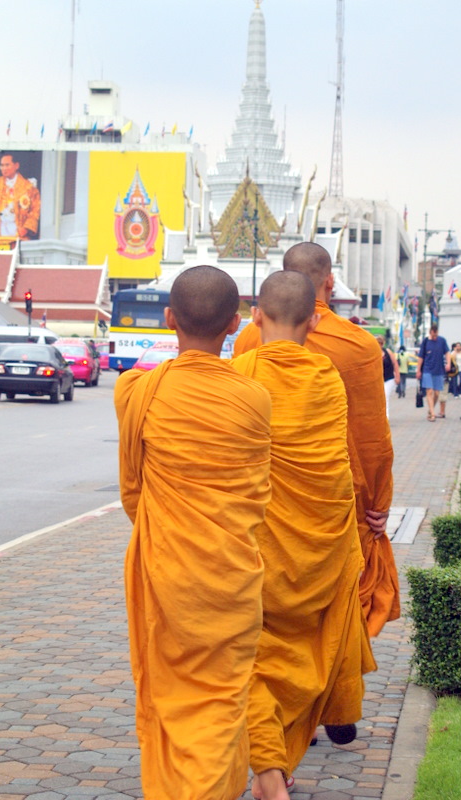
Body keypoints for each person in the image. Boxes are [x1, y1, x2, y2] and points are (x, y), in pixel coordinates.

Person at [114, 266, 273, 800]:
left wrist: (164, 530)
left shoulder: (137, 391)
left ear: (168, 319)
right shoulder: (255, 399)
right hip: (231, 580)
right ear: (234, 324)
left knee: (173, 700)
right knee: (224, 703)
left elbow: (133, 492)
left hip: (168, 575)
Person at [232, 271, 376, 800]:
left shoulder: (242, 372)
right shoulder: (327, 377)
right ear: (316, 320)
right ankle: (282, 758)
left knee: (253, 655)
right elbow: (340, 460)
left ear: (255, 316)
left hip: (262, 539)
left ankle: (271, 765)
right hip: (323, 535)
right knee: (314, 647)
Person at [234, 242, 399, 638]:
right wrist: (378, 505)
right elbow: (373, 437)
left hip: (261, 503)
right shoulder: (359, 345)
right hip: (336, 503)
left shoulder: (246, 345)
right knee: (331, 618)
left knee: (268, 615)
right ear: (329, 282)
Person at [0, 153, 41, 241]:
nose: (4, 168)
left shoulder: (28, 187)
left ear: (16, 166)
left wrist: (26, 228)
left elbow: (35, 209)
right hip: (1, 228)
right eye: (2, 165)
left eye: (7, 165)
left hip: (18, 230)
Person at [416, 323, 451, 421]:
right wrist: (418, 370)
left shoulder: (442, 341)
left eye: (436, 335)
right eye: (433, 335)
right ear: (430, 332)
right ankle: (432, 414)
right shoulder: (426, 342)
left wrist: (448, 363)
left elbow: (447, 353)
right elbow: (421, 357)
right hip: (427, 369)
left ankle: (430, 410)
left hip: (439, 370)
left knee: (436, 393)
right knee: (429, 391)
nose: (435, 337)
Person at [377, 335, 400, 416]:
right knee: (378, 399)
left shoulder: (387, 352)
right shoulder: (373, 353)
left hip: (389, 378)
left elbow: (395, 364)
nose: (380, 345)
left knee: (385, 396)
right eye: (378, 343)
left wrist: (397, 376)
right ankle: (379, 416)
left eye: (381, 343)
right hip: (378, 380)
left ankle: (386, 417)